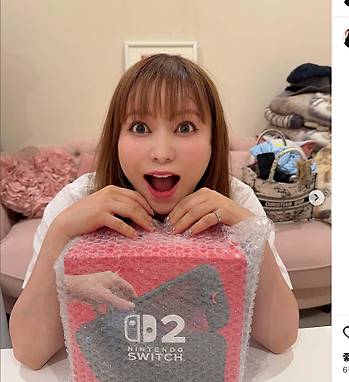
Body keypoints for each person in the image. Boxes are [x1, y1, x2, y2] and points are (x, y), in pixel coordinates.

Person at [9, 54, 300, 370]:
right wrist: (61, 233)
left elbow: (280, 338)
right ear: (115, 136)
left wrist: (249, 230)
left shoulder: (236, 200)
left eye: (185, 127)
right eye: (140, 127)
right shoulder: (75, 201)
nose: (162, 153)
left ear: (213, 138)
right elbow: (30, 353)